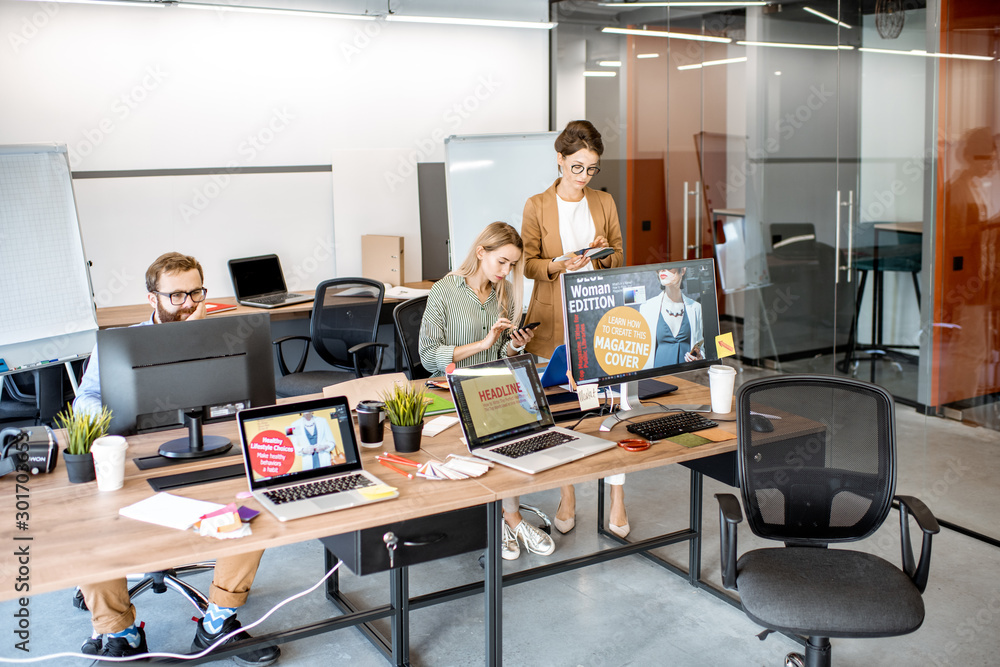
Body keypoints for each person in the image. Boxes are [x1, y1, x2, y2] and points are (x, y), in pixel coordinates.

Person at [73, 252, 279, 666]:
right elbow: (85, 402)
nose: (188, 303)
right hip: (138, 453)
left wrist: (203, 343)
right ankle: (122, 635)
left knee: (254, 505)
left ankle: (219, 619)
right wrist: (117, 419)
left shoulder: (225, 334)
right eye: (177, 295)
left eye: (196, 292)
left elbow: (248, 392)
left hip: (209, 445)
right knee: (85, 529)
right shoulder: (121, 342)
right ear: (153, 299)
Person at [520, 120, 630, 538]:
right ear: (561, 160)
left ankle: (618, 500)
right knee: (560, 409)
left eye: (592, 169)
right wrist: (557, 264)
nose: (583, 177)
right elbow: (528, 262)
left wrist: (600, 256)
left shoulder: (603, 202)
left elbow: (619, 256)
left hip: (598, 312)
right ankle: (567, 494)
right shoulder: (536, 205)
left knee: (611, 408)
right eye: (577, 167)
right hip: (553, 315)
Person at [419, 222, 554, 561]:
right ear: (482, 252)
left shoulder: (505, 294)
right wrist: (483, 342)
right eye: (502, 262)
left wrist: (513, 347)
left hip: (491, 386)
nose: (506, 271)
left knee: (517, 436)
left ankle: (510, 518)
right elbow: (428, 356)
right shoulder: (444, 290)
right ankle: (504, 519)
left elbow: (500, 355)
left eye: (512, 265)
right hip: (449, 388)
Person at [638, 266, 705, 369]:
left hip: (687, 376)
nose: (662, 269)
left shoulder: (696, 308)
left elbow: (700, 347)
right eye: (659, 266)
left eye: (669, 266)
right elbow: (640, 352)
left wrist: (699, 358)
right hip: (658, 378)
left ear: (682, 270)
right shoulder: (647, 308)